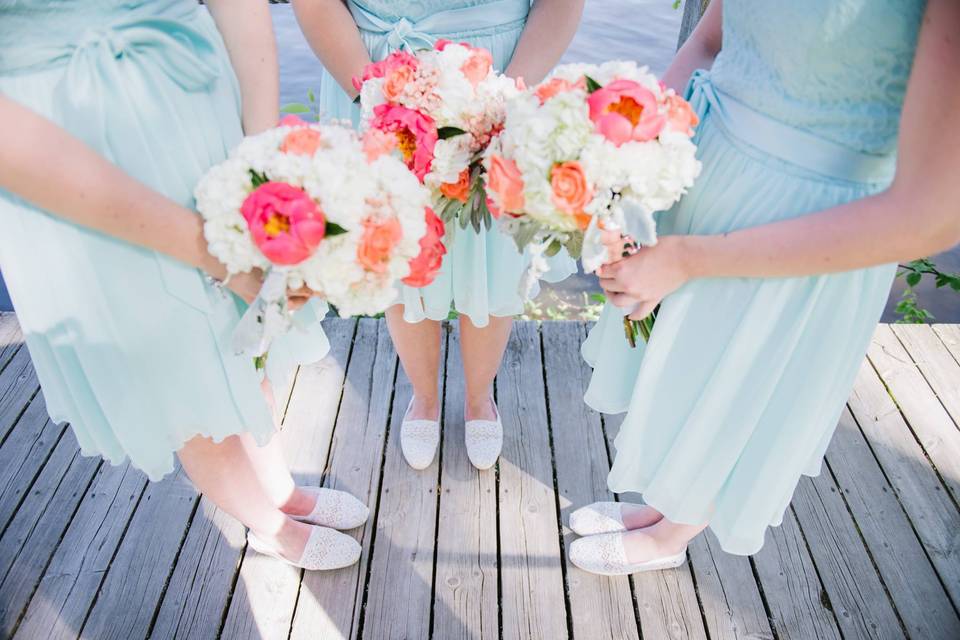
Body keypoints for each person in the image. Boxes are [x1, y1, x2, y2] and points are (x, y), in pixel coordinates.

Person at [568, 0, 960, 574]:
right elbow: (709, 41)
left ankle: (669, 539)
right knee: (687, 370)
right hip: (706, 168)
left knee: (735, 387)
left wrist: (689, 258)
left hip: (803, 236)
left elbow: (930, 215)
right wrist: (634, 156)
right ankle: (662, 509)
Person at [0, 0, 369, 570]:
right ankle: (270, 527)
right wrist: (212, 253)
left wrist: (260, 154)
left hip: (197, 100)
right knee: (179, 365)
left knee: (252, 333)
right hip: (61, 151)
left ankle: (282, 491)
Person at [293, 0, 583, 471]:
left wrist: (503, 97)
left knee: (492, 249)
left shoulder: (503, 86)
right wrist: (376, 94)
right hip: (374, 71)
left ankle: (478, 398)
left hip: (500, 70)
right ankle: (423, 397)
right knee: (399, 245)